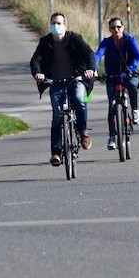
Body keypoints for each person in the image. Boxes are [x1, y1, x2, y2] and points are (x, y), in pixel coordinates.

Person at [30, 13, 96, 166]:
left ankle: (82, 132)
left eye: (59, 23)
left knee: (79, 99)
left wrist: (91, 69)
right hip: (56, 82)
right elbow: (36, 60)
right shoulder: (45, 42)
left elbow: (88, 53)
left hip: (76, 79)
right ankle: (56, 152)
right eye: (53, 23)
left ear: (65, 26)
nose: (56, 26)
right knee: (57, 116)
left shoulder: (74, 38)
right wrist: (37, 73)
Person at [94, 16, 139, 150]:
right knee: (111, 105)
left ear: (123, 28)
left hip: (129, 72)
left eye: (118, 27)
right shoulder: (106, 42)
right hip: (112, 75)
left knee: (131, 85)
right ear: (109, 29)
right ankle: (112, 137)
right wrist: (94, 69)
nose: (116, 30)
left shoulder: (130, 40)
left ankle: (135, 110)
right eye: (113, 28)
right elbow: (98, 55)